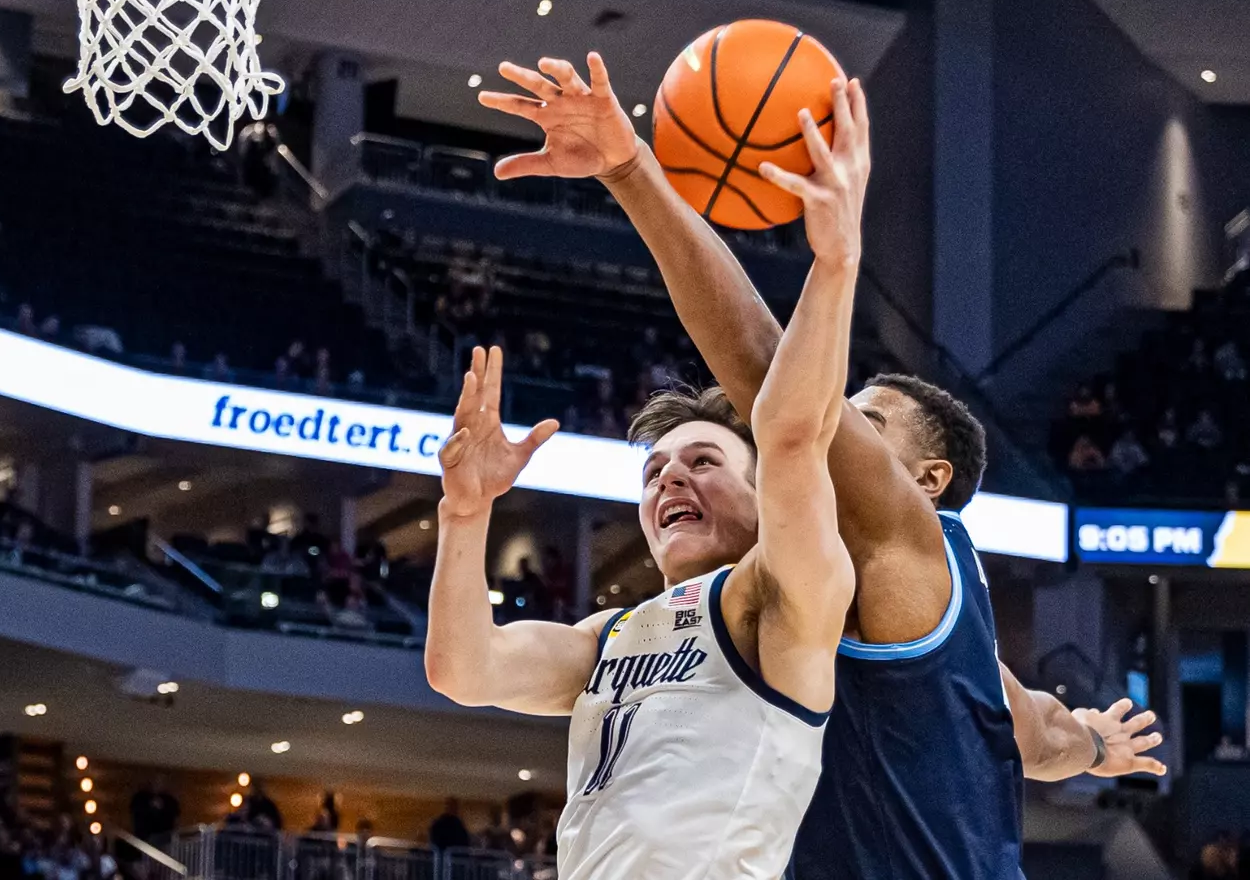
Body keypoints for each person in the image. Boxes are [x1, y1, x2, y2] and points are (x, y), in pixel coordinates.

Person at [478, 53, 1164, 880]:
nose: (825, 425)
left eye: (865, 425)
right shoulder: (943, 645)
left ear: (925, 479)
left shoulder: (907, 551)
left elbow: (771, 374)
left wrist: (632, 173)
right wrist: (1096, 743)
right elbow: (1042, 732)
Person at [424, 90, 871, 878]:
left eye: (704, 462)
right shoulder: (612, 635)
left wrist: (835, 266)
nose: (671, 479)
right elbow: (465, 670)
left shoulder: (782, 597)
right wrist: (466, 515)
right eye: (656, 470)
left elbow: (795, 434)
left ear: (768, 497)